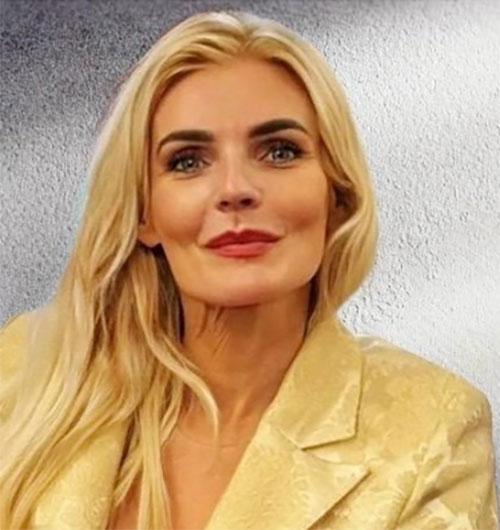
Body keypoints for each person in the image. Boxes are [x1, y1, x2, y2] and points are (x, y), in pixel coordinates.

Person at [0, 9, 497, 530]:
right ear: (144, 213)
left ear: (337, 195)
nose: (235, 189)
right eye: (187, 161)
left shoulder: (429, 426)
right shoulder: (21, 374)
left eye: (280, 152)